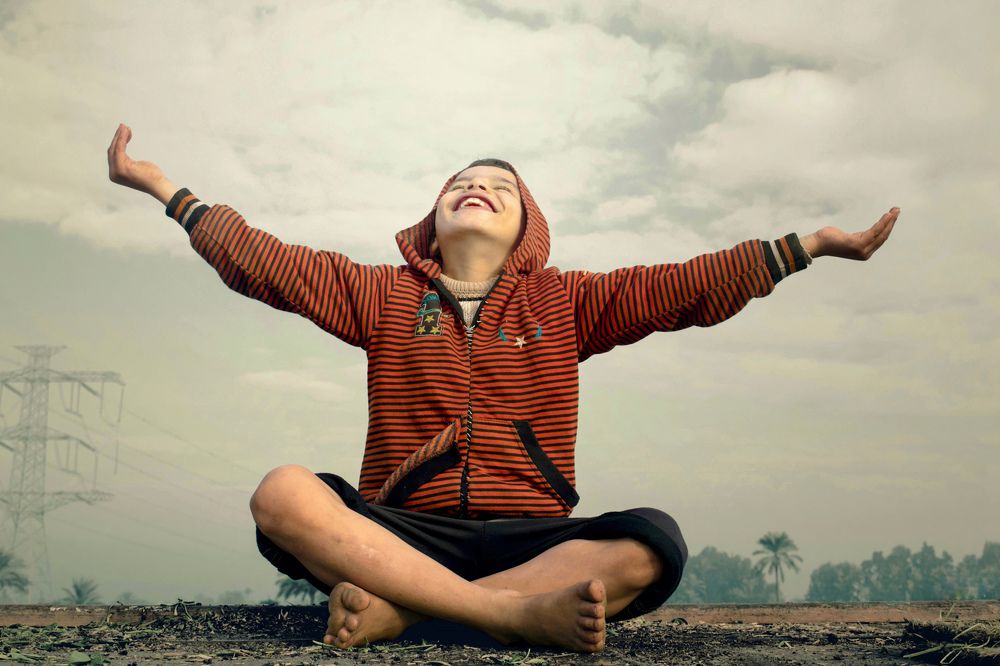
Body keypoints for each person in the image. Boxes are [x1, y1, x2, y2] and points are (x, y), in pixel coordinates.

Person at [107, 122, 899, 653]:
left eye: (502, 186)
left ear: (528, 227)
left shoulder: (567, 302)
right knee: (282, 495)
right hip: (402, 528)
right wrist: (165, 190)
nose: (477, 187)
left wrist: (809, 247)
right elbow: (265, 261)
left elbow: (685, 286)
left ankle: (402, 610)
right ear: (432, 220)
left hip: (531, 534)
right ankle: (506, 614)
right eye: (461, 182)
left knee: (652, 542)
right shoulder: (382, 295)